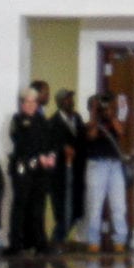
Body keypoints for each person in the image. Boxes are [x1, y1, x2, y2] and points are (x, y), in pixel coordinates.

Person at [7, 88, 54, 257]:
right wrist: (37, 156)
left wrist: (50, 156)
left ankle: (40, 243)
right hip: (23, 168)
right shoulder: (18, 120)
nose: (31, 105)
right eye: (27, 102)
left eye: (34, 102)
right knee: (20, 205)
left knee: (38, 206)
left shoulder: (42, 120)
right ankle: (16, 244)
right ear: (22, 103)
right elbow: (20, 142)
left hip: (40, 171)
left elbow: (49, 142)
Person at [83, 94, 130, 255]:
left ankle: (120, 241)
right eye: (103, 107)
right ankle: (93, 241)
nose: (106, 109)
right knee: (95, 205)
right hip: (97, 165)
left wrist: (112, 116)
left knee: (119, 205)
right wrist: (95, 114)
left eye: (108, 106)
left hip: (115, 165)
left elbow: (121, 131)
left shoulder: (113, 122)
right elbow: (91, 135)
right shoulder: (91, 123)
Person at [48, 88, 83, 246]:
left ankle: (58, 239)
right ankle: (57, 240)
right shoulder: (53, 122)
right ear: (61, 102)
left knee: (76, 210)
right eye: (68, 98)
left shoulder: (77, 118)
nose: (71, 101)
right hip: (60, 173)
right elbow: (50, 145)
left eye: (71, 98)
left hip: (77, 170)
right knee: (63, 211)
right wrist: (62, 148)